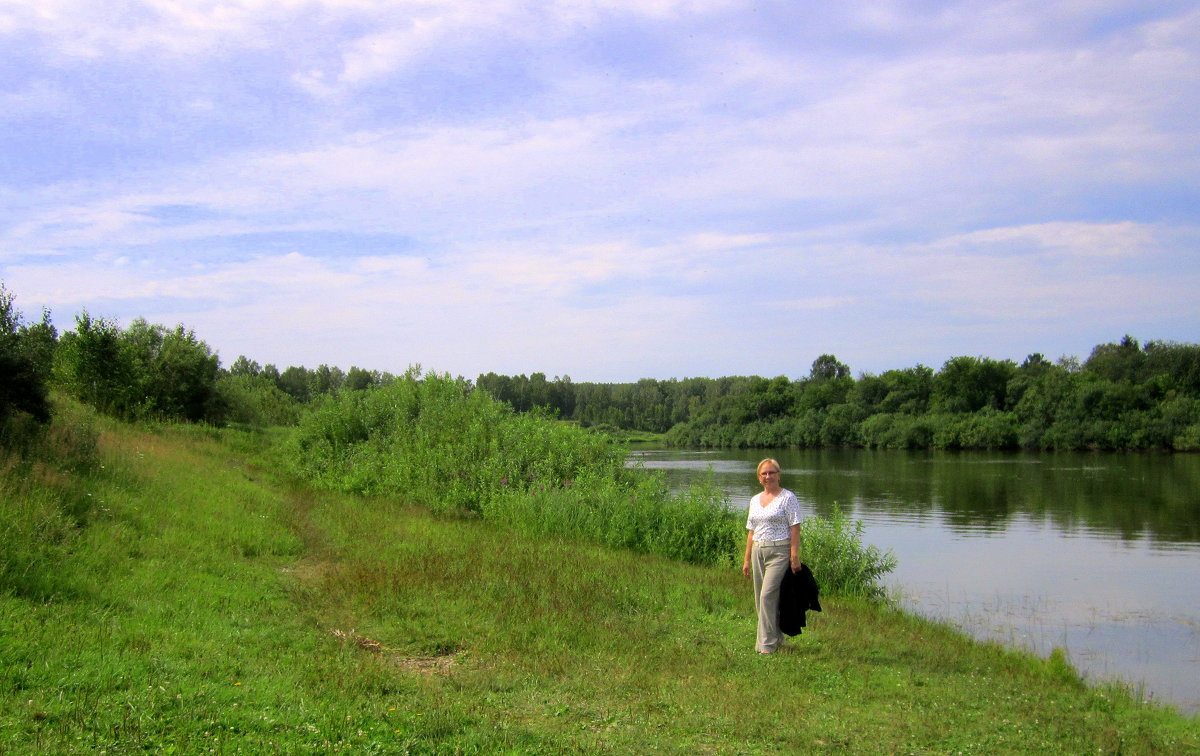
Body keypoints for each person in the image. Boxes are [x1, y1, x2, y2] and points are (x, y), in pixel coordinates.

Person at [742, 458, 802, 654]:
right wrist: (746, 559)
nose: (768, 476)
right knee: (761, 599)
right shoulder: (754, 500)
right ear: (759, 478)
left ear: (779, 474)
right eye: (764, 473)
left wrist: (794, 555)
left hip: (779, 551)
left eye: (772, 472)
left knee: (767, 596)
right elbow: (751, 531)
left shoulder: (788, 497)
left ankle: (766, 646)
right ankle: (777, 639)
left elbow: (795, 527)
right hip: (758, 551)